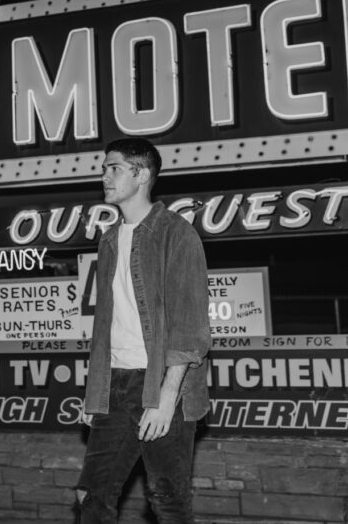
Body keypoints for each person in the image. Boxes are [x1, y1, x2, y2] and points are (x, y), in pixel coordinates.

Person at [75, 137, 211, 524]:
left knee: (166, 499)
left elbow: (190, 327)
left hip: (162, 385)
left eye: (113, 168)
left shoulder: (176, 234)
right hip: (115, 384)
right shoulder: (109, 240)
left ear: (142, 174)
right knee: (91, 493)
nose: (104, 176)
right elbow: (106, 326)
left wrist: (167, 398)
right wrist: (94, 394)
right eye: (104, 168)